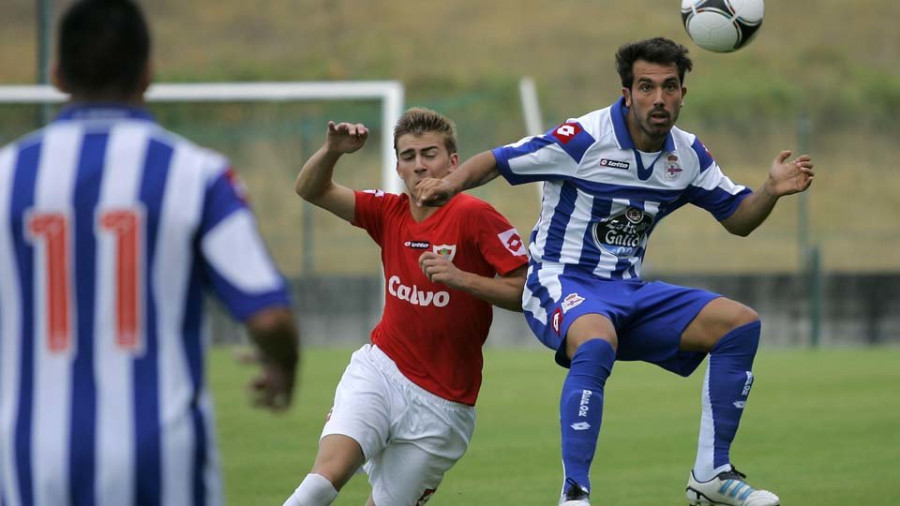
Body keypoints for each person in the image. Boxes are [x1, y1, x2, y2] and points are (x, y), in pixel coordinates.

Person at [416, 37, 814, 506]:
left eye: (670, 87)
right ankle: (575, 493)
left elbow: (738, 219)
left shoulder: (686, 156)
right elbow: (498, 160)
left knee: (740, 325)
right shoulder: (583, 138)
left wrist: (769, 189)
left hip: (626, 290)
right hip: (557, 279)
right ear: (627, 94)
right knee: (596, 336)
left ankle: (711, 474)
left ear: (684, 93)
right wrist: (450, 183)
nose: (659, 98)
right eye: (646, 87)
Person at [0, 1, 300, 505]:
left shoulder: (7, 176)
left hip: (27, 456)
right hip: (160, 459)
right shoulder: (198, 174)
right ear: (147, 73)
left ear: (56, 75)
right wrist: (282, 367)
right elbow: (268, 317)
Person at [282, 107, 528, 505]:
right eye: (408, 156)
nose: (419, 165)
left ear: (453, 163)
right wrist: (332, 151)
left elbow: (527, 292)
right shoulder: (389, 211)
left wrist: (459, 277)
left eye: (429, 154)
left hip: (445, 405)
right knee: (321, 481)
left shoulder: (475, 215)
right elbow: (311, 190)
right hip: (382, 371)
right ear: (397, 166)